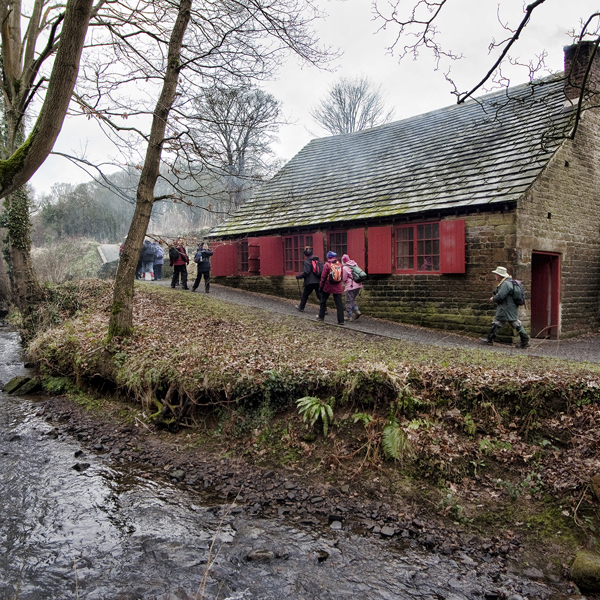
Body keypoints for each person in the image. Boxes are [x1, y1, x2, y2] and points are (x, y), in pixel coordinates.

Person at [480, 266, 530, 348]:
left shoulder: (505, 284)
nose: (494, 276)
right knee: (513, 323)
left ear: (499, 275)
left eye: (495, 274)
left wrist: (493, 299)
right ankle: (525, 341)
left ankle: (489, 340)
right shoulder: (508, 282)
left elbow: (501, 296)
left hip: (505, 308)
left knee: (499, 322)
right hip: (510, 307)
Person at [317, 251, 345, 325]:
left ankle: (321, 317)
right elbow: (342, 276)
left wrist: (321, 286)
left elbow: (323, 276)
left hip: (328, 286)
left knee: (323, 301)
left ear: (328, 257)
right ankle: (341, 320)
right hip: (338, 287)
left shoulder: (327, 265)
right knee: (339, 304)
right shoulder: (340, 265)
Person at [341, 254, 363, 322]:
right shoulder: (354, 264)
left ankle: (349, 316)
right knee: (352, 299)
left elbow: (344, 278)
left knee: (348, 301)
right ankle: (356, 311)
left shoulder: (345, 268)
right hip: (358, 285)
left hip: (350, 286)